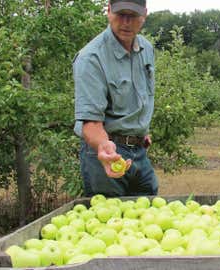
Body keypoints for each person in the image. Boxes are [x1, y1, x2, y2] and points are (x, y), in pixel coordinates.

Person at [73, 0, 158, 197]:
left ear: (144, 15)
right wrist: (104, 146)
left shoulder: (146, 49)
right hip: (106, 152)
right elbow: (90, 123)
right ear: (109, 11)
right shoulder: (91, 58)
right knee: (109, 220)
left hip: (139, 151)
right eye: (121, 14)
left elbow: (141, 97)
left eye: (133, 16)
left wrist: (138, 129)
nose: (126, 22)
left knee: (150, 214)